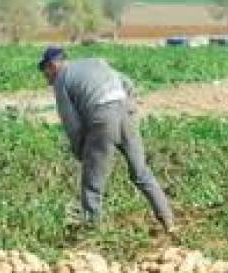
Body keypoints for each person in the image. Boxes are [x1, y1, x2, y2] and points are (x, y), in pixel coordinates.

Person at [39, 46, 176, 233]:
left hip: (102, 118)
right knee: (141, 173)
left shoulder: (61, 80)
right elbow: (128, 83)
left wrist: (81, 151)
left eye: (45, 71)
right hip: (127, 115)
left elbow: (71, 123)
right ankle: (168, 221)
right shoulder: (96, 63)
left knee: (92, 183)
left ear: (53, 65)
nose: (45, 77)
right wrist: (129, 107)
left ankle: (92, 232)